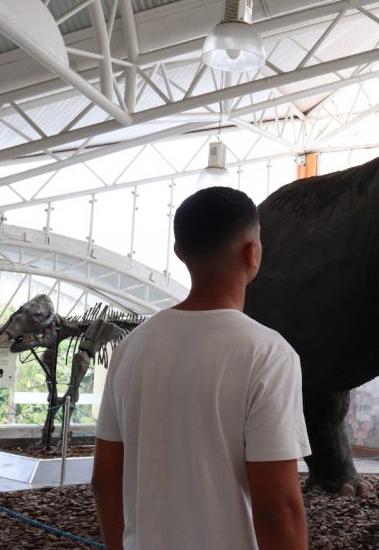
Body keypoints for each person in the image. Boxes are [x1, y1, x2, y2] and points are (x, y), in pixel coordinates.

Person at [93, 187, 311, 549]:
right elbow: (277, 507)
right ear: (252, 252)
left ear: (179, 253)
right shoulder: (268, 354)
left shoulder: (131, 348)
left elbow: (104, 480)